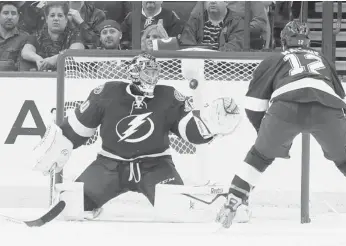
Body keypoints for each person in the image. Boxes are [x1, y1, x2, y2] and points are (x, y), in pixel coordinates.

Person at [33, 53, 241, 219]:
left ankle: (226, 205)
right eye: (146, 73)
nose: (152, 78)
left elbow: (190, 133)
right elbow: (76, 129)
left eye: (154, 73)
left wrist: (211, 126)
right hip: (109, 165)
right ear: (133, 73)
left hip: (156, 167)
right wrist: (57, 145)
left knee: (177, 210)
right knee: (71, 206)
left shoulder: (168, 95)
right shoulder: (107, 92)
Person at [215, 20, 346, 228]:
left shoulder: (275, 58)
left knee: (258, 157)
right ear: (308, 42)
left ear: (283, 41)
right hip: (328, 108)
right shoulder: (323, 59)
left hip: (285, 107)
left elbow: (253, 105)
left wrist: (264, 133)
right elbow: (341, 100)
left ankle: (232, 201)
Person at [21, 2, 84, 71]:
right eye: (52, 15)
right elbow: (26, 51)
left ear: (66, 20)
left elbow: (77, 50)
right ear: (47, 19)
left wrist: (54, 59)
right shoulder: (37, 35)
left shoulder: (74, 34)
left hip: (67, 76)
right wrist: (38, 59)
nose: (56, 19)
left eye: (60, 15)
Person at [180, 1, 244, 51]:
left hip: (223, 64)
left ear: (226, 2)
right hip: (198, 62)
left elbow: (234, 48)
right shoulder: (194, 20)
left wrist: (212, 59)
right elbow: (187, 45)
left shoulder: (238, 23)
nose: (212, 2)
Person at [0, 1, 28, 71]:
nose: (9, 17)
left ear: (18, 17)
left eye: (13, 13)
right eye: (5, 13)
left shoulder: (25, 38)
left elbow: (21, 68)